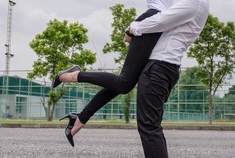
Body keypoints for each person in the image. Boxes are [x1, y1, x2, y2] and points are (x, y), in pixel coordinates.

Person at [54, 0, 174, 147]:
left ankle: (79, 119)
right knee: (123, 83)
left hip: (162, 23)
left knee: (125, 84)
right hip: (154, 19)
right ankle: (75, 75)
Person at [128, 0, 210, 158]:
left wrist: (134, 27)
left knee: (149, 126)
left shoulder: (193, 2)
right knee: (151, 126)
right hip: (162, 66)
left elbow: (162, 20)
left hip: (160, 67)